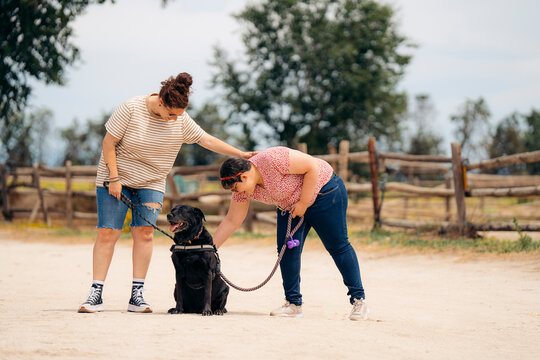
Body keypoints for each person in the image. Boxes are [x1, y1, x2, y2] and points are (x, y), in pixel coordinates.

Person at [78, 72, 254, 313]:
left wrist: (241, 154)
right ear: (160, 101)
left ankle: (137, 295)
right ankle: (95, 293)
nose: (174, 120)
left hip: (151, 181)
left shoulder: (181, 120)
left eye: (178, 116)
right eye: (171, 114)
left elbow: (207, 140)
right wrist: (115, 177)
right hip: (116, 177)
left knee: (145, 233)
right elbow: (108, 144)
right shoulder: (131, 109)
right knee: (108, 232)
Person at [213, 146, 369, 320]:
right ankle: (293, 304)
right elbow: (232, 221)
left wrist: (303, 203)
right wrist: (210, 248)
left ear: (244, 176)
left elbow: (311, 166)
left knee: (337, 246)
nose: (236, 193)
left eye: (235, 188)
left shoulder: (272, 159)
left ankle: (359, 300)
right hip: (291, 205)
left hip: (324, 191)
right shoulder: (244, 189)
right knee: (286, 251)